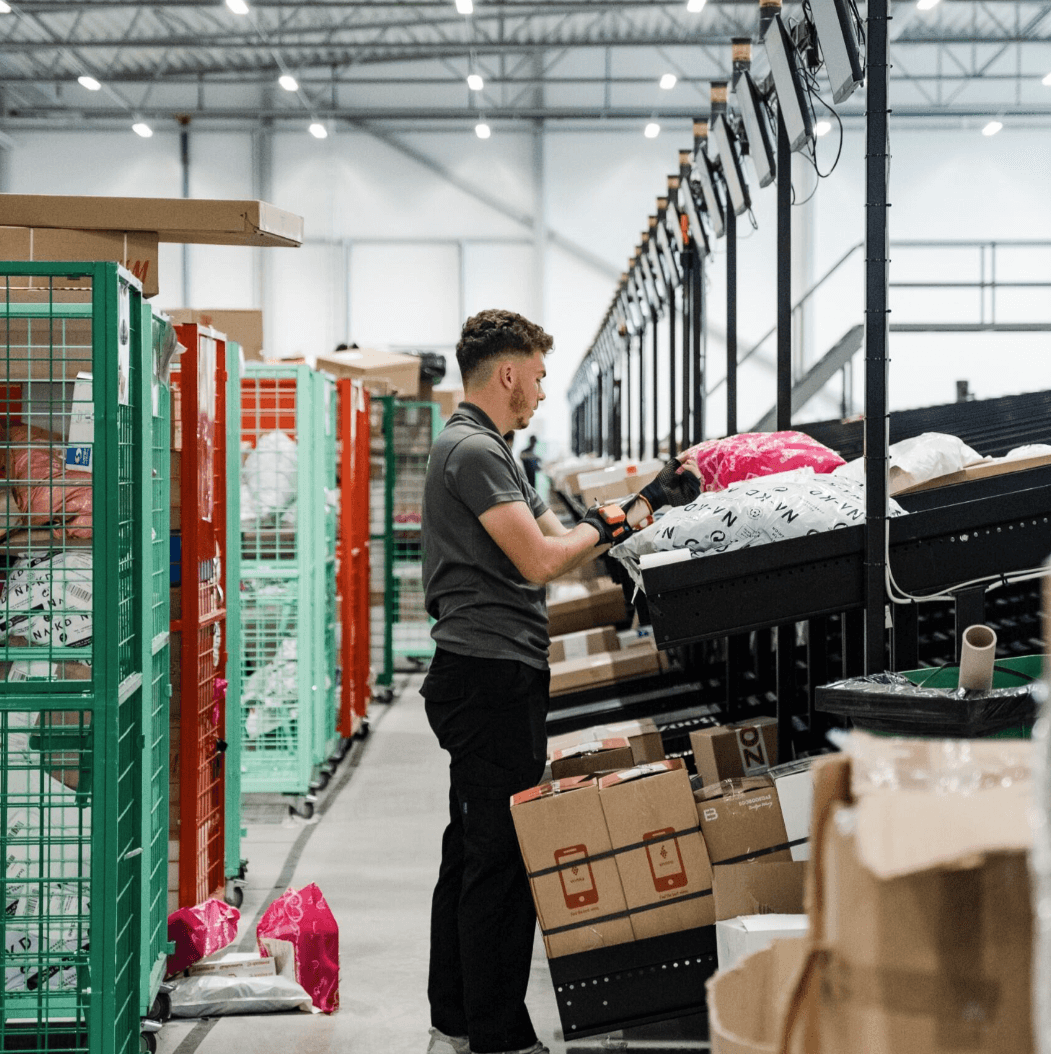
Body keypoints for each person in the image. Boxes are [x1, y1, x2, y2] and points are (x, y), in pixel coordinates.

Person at [420, 308, 700, 1054]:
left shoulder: (497, 451)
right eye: (537, 376)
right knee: (499, 856)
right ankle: (498, 1034)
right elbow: (541, 562)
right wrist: (623, 517)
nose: (541, 391)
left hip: (491, 671)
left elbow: (557, 535)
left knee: (472, 846)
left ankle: (454, 1012)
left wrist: (641, 503)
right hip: (488, 676)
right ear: (506, 373)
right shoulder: (472, 451)